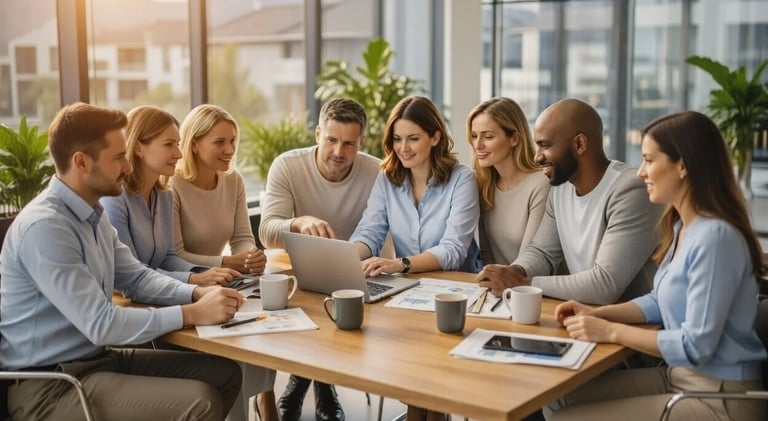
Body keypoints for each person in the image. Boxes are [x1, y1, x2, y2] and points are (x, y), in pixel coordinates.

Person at [0, 102, 244, 421]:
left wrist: (197, 293)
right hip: (51, 385)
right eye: (118, 158)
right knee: (200, 401)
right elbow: (101, 324)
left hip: (97, 360)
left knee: (225, 374)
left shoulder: (93, 215)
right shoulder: (47, 228)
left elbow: (137, 278)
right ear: (81, 162)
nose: (128, 167)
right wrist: (191, 313)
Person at [546, 111, 767, 420]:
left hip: (720, 397)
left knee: (566, 418)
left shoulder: (716, 238)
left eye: (649, 160)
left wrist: (610, 331)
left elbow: (696, 346)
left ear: (683, 166)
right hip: (680, 377)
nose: (640, 172)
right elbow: (657, 301)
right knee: (557, 394)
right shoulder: (682, 227)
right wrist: (595, 313)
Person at [259, 98, 381, 421]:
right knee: (310, 299)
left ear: (361, 143)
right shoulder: (287, 165)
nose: (338, 152)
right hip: (298, 272)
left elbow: (378, 229)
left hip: (355, 272)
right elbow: (267, 231)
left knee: (336, 298)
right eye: (331, 140)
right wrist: (297, 223)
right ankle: (323, 389)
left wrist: (348, 259)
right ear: (317, 134)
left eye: (349, 144)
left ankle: (302, 387)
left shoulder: (376, 171)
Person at [477, 97, 662, 305]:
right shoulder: (561, 187)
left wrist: (521, 283)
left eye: (545, 145)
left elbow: (605, 284)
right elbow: (542, 252)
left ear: (579, 144)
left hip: (635, 325)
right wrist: (513, 271)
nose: (537, 157)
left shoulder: (630, 190)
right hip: (588, 316)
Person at [172, 104, 276, 421]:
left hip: (227, 280)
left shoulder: (233, 180)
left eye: (233, 141)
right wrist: (229, 260)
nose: (229, 150)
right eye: (220, 142)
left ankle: (260, 401)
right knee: (235, 345)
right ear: (194, 143)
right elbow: (174, 255)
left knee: (266, 323)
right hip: (188, 285)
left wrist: (250, 255)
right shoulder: (172, 186)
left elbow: (244, 235)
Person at [101, 105, 240, 286]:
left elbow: (168, 258)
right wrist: (194, 279)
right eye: (169, 145)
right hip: (126, 302)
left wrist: (208, 273)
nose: (179, 153)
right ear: (138, 148)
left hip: (160, 292)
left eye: (178, 144)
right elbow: (131, 274)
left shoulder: (164, 196)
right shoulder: (115, 200)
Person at [351, 95, 481, 276]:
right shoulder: (387, 179)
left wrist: (400, 264)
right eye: (397, 139)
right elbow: (370, 231)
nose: (403, 148)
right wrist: (347, 259)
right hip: (408, 286)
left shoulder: (462, 179)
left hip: (456, 288)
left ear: (435, 138)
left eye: (413, 139)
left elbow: (453, 250)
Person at [467, 97, 550, 265]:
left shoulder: (541, 184)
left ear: (514, 138)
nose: (478, 145)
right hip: (501, 287)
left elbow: (530, 261)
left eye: (488, 136)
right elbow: (487, 254)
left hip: (531, 286)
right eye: (474, 136)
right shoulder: (483, 184)